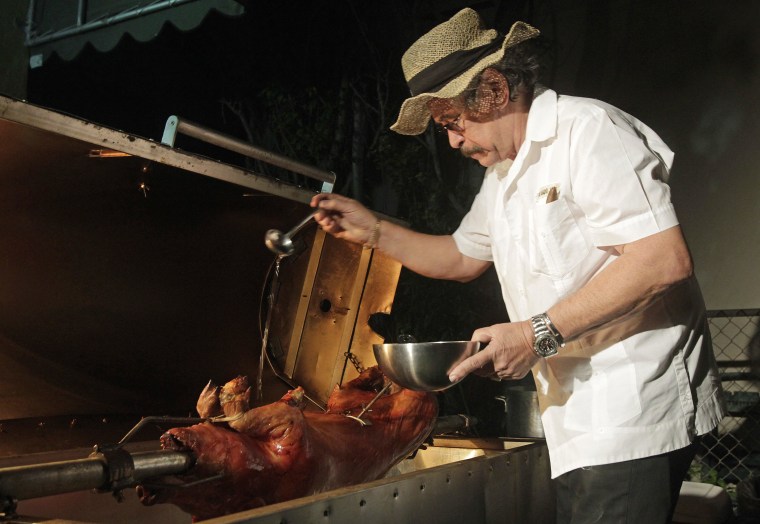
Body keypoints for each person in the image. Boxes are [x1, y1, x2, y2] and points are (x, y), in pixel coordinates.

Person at [312, 8, 725, 523]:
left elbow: (661, 259)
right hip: (576, 419)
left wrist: (534, 335)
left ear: (493, 90)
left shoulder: (588, 130)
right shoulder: (504, 174)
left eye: (453, 122)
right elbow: (461, 257)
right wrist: (372, 229)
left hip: (630, 405)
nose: (454, 141)